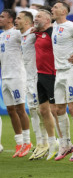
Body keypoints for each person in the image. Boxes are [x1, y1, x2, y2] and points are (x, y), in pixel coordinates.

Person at [51, 1, 73, 162]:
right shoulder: (53, 26)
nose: (53, 9)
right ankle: (65, 143)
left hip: (72, 71)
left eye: (56, 7)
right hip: (58, 72)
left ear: (64, 11)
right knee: (59, 109)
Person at [15, 10, 46, 160]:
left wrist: (38, 27)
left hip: (37, 77)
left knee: (41, 111)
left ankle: (46, 143)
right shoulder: (20, 36)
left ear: (27, 22)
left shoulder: (34, 34)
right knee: (34, 111)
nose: (16, 20)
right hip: (27, 78)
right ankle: (40, 143)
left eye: (19, 18)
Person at [0, 9, 31, 158]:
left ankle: (27, 142)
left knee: (20, 109)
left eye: (2, 17)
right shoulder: (1, 36)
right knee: (10, 110)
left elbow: (29, 38)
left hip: (17, 76)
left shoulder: (17, 33)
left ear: (10, 20)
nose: (0, 19)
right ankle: (19, 141)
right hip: (5, 77)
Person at [33, 9, 60, 160]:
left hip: (52, 75)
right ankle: (52, 142)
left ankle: (64, 143)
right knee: (43, 110)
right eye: (35, 16)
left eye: (38, 16)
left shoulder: (52, 32)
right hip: (40, 75)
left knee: (55, 110)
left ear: (48, 20)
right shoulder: (36, 33)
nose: (35, 19)